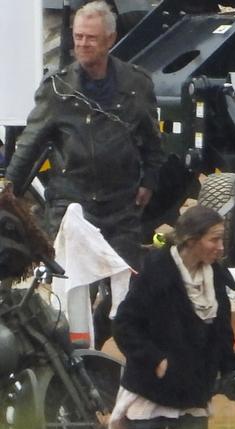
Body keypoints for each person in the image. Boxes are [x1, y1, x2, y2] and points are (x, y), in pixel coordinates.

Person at [5, 0, 164, 269]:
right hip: (71, 206)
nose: (82, 44)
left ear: (110, 39)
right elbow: (29, 146)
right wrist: (7, 195)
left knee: (123, 290)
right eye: (78, 36)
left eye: (91, 38)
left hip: (121, 207)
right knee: (71, 292)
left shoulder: (137, 85)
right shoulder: (57, 90)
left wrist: (149, 180)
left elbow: (152, 142)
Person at [110, 205, 235, 429]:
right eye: (214, 239)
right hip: (151, 389)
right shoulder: (157, 272)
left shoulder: (215, 279)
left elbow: (222, 334)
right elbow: (124, 325)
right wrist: (155, 359)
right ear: (191, 240)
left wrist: (233, 371)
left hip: (193, 390)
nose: (220, 247)